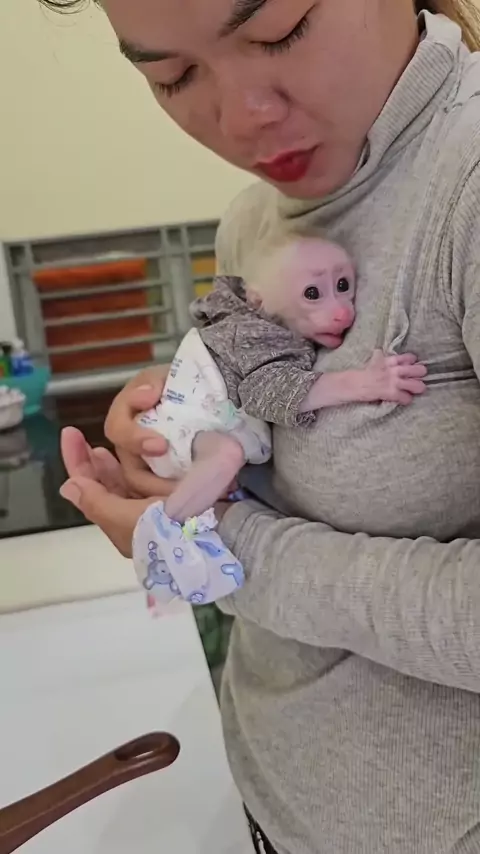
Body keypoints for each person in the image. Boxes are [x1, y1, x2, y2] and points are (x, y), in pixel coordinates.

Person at [44, 0, 480, 851]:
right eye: (172, 76)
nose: (243, 118)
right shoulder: (254, 219)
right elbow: (273, 421)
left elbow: (253, 544)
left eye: (280, 30)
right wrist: (178, 430)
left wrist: (220, 547)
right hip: (271, 784)